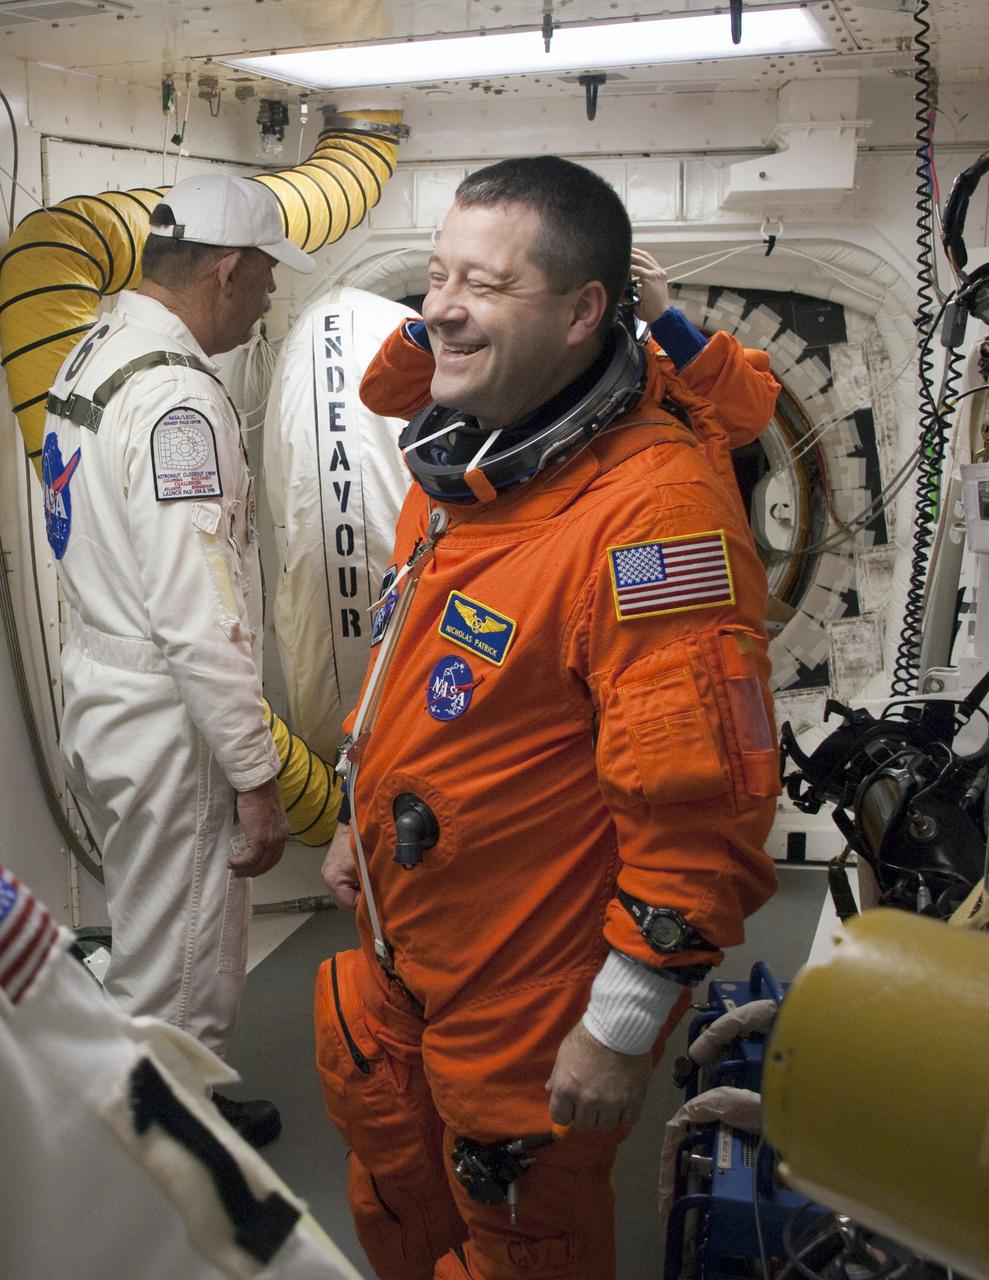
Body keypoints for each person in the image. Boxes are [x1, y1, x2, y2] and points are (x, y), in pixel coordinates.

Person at [316, 155, 781, 1279]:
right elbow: (420, 679)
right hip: (410, 937)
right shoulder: (460, 464)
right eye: (434, 275)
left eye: (483, 280)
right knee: (399, 1193)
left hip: (528, 982)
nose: (440, 306)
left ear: (583, 313)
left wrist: (618, 1025)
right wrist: (356, 822)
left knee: (523, 1239)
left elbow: (700, 809)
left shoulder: (649, 518)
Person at [40, 172, 315, 1148]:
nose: (271, 297)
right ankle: (164, 1163)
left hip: (102, 686)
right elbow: (200, 616)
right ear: (227, 270)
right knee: (188, 960)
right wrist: (254, 777)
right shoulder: (177, 405)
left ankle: (160, 1101)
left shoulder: (92, 351)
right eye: (267, 279)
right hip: (165, 713)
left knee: (148, 925)